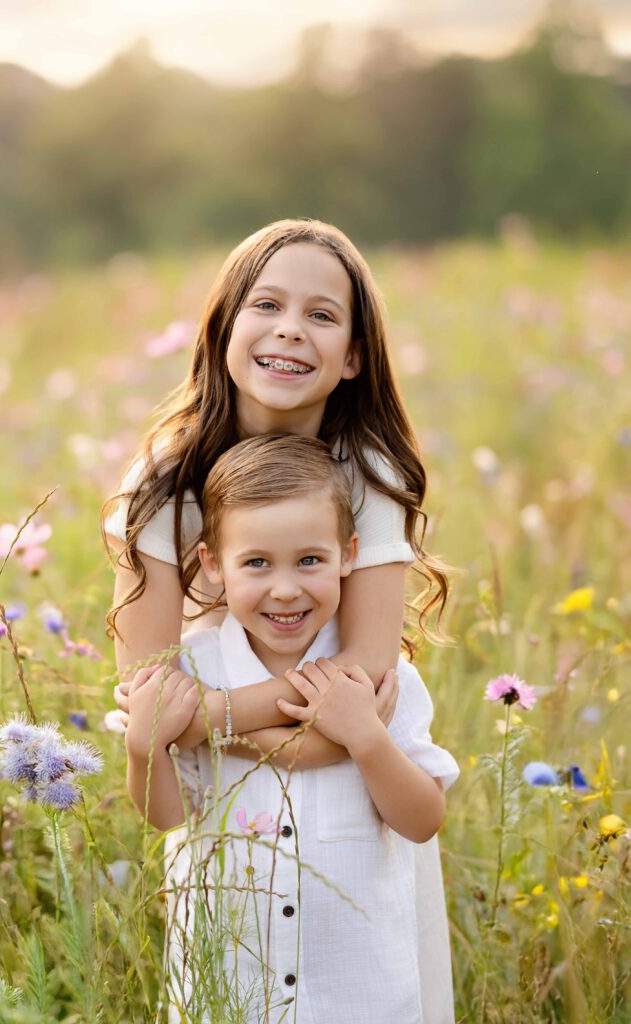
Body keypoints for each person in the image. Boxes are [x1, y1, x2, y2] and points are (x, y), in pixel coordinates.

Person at [102, 218, 455, 1021]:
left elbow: (360, 688)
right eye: (267, 304)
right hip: (225, 811)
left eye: (323, 315)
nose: (291, 329)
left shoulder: (366, 472)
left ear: (354, 356)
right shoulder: (160, 482)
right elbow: (149, 696)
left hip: (348, 821)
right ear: (225, 326)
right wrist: (194, 721)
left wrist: (213, 718)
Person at [124, 435, 459, 1024]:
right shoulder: (195, 670)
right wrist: (140, 747)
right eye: (256, 563)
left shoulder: (381, 679)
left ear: (349, 555)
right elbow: (169, 816)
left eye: (310, 560)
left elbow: (423, 819)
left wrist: (367, 739)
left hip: (360, 989)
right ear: (211, 564)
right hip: (228, 984)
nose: (285, 588)